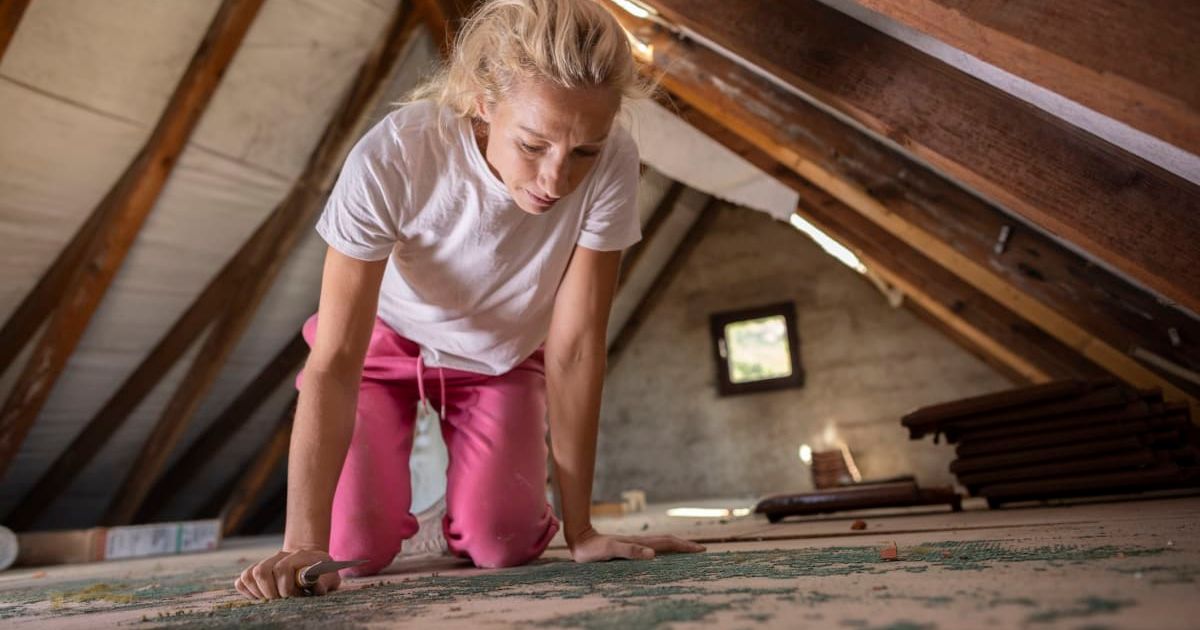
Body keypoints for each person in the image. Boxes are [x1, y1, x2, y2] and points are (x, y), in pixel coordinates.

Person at [235, 0, 704, 601]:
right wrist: (301, 540)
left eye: (583, 151)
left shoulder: (613, 163)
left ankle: (461, 519)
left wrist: (580, 528)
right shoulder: (394, 156)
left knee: (501, 545)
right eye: (532, 145)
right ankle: (400, 518)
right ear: (483, 104)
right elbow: (335, 358)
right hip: (383, 345)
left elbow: (577, 348)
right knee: (349, 556)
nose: (556, 180)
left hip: (499, 355)